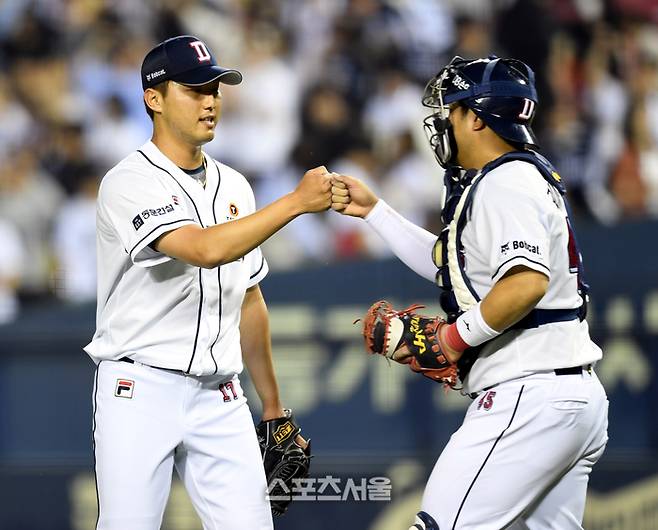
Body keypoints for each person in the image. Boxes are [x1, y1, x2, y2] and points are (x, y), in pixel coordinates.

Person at [331, 56, 608, 529]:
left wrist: (453, 339)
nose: (444, 122)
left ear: (476, 117)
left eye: (452, 111)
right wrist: (376, 213)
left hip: (528, 395)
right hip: (567, 394)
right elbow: (451, 263)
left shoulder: (504, 182)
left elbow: (525, 282)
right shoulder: (520, 176)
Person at [84, 35, 329, 530]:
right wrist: (296, 202)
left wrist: (273, 407)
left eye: (214, 88)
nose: (211, 99)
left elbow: (249, 298)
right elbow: (203, 248)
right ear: (153, 98)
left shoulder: (236, 184)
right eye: (194, 89)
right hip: (140, 385)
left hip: (221, 395)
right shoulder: (128, 181)